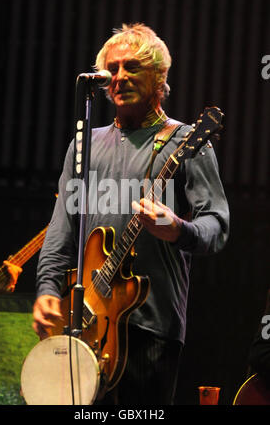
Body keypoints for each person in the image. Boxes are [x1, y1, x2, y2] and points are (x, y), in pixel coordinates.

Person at [32, 23, 229, 405]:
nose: (119, 77)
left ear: (160, 76)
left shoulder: (186, 141)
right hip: (85, 325)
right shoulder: (84, 144)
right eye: (113, 69)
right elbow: (62, 230)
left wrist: (178, 229)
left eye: (133, 67)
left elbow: (217, 226)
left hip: (151, 327)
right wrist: (45, 290)